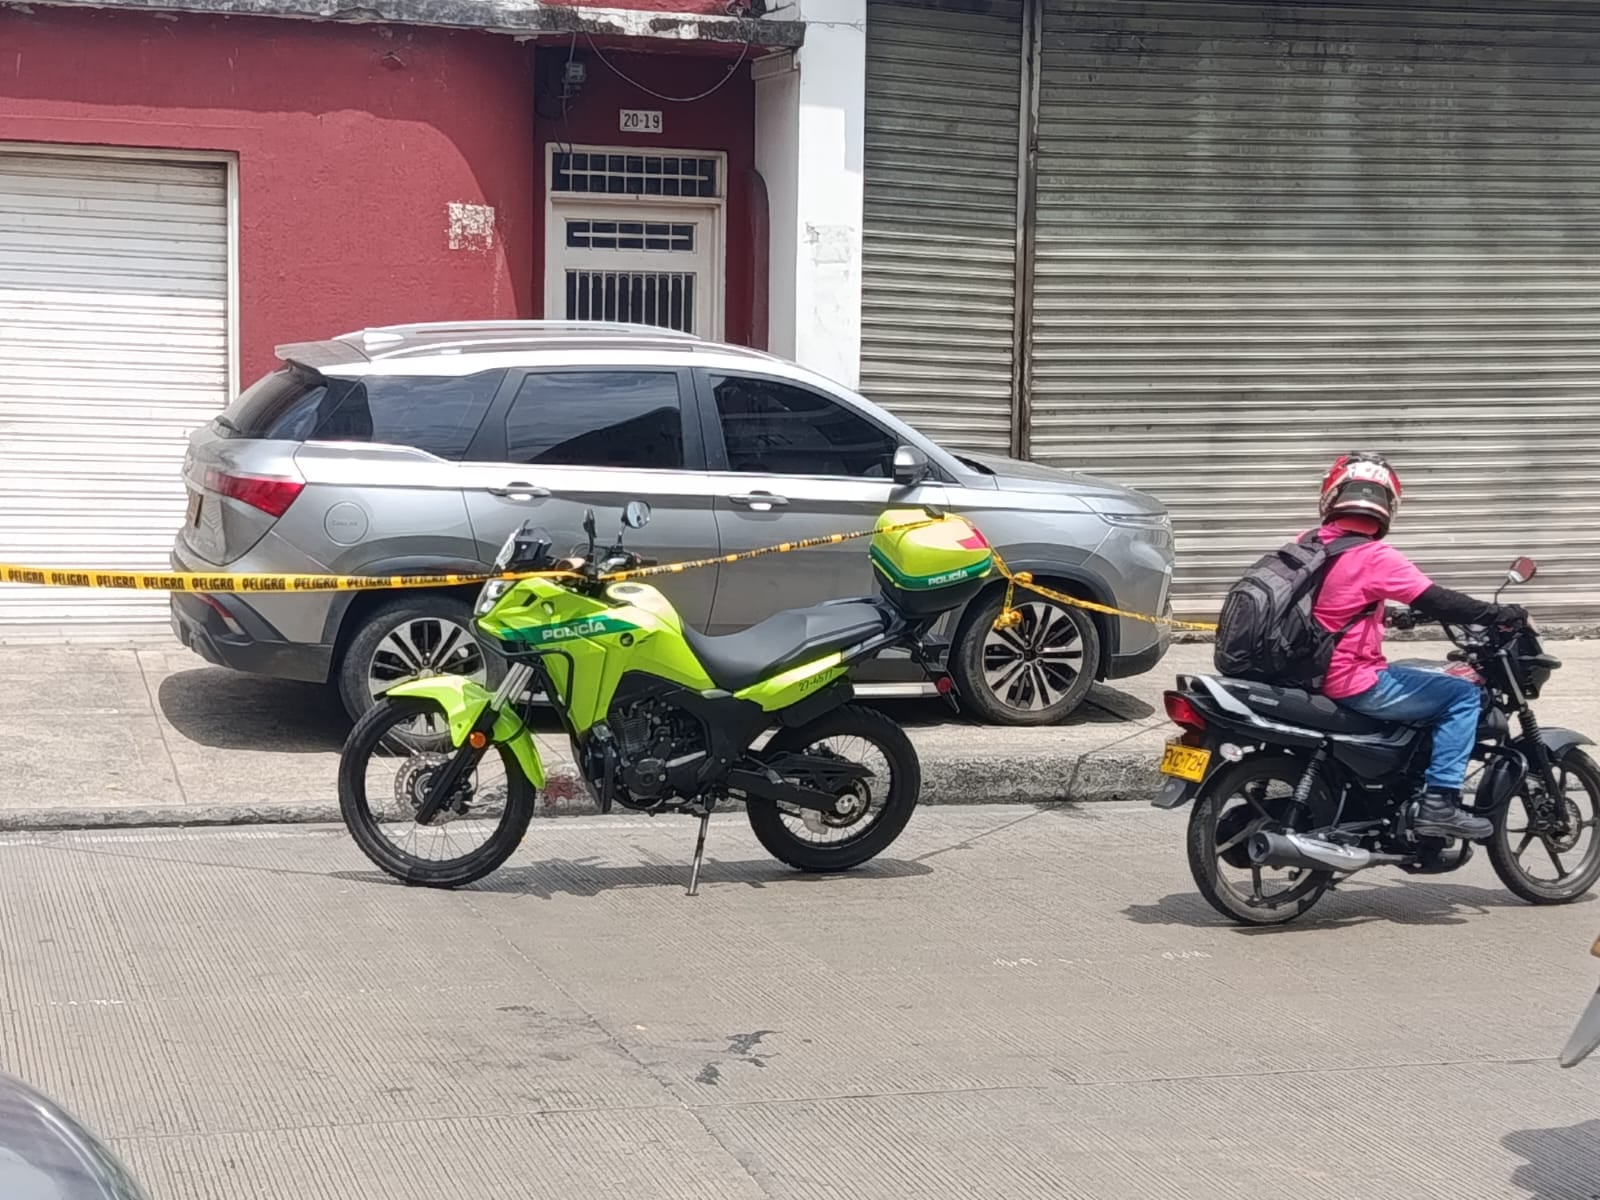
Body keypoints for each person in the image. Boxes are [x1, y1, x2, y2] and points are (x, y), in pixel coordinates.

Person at [1310, 452, 1525, 842]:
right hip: (1350, 678)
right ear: (1387, 504)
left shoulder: (1307, 546)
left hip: (1305, 670)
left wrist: (1388, 618)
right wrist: (1498, 613)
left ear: (1331, 497)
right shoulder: (1374, 556)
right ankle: (1439, 803)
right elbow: (1436, 599)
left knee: (1414, 675)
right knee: (1461, 695)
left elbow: (1333, 604)